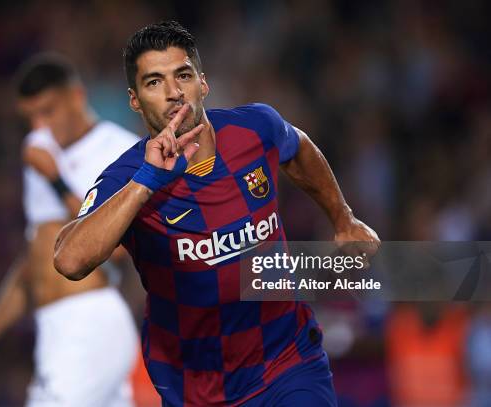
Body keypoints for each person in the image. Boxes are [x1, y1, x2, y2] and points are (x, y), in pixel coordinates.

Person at [54, 21, 379, 406]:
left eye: (183, 75)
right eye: (155, 82)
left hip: (288, 362)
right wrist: (146, 182)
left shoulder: (255, 128)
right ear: (135, 100)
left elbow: (299, 148)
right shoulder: (127, 178)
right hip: (197, 388)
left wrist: (343, 219)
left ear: (202, 84)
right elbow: (69, 259)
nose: (174, 93)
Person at [0, 53, 140, 407]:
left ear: (76, 97)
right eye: (30, 118)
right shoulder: (39, 154)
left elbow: (120, 252)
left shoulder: (120, 151)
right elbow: (36, 258)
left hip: (89, 321)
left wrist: (56, 179)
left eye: (48, 111)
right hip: (55, 328)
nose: (39, 127)